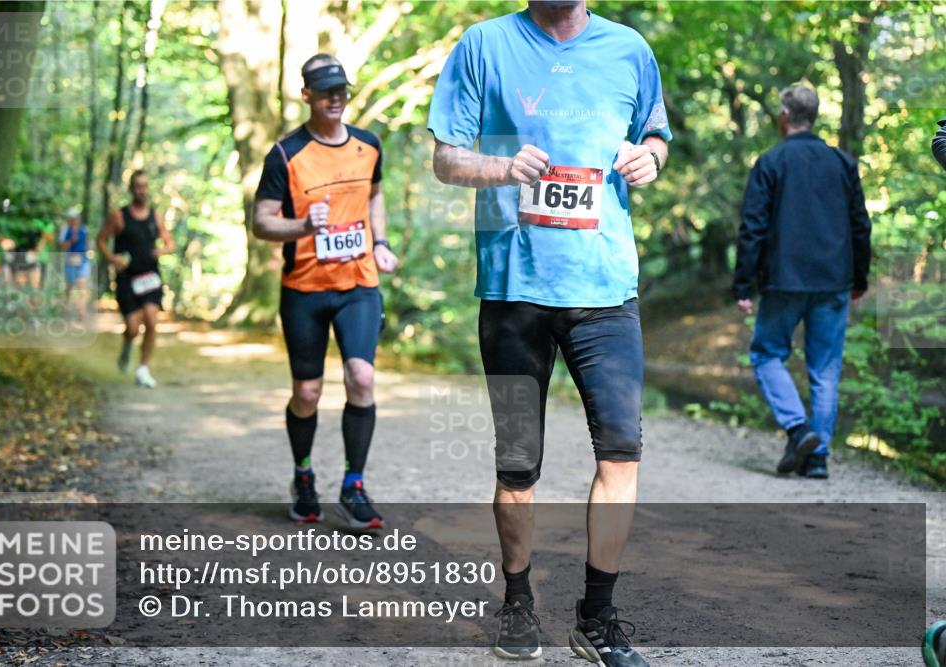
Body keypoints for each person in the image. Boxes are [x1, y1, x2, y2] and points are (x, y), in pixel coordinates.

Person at [429, 2, 671, 664]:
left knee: (621, 452)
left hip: (606, 293)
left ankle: (597, 616)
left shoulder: (630, 50)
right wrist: (501, 169)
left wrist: (649, 159)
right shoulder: (483, 44)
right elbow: (447, 159)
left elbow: (656, 139)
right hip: (513, 294)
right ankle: (517, 603)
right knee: (517, 466)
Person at [252, 54, 398, 531]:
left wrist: (380, 243)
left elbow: (375, 196)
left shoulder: (369, 145)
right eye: (326, 90)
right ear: (307, 95)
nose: (336, 98)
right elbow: (261, 222)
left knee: (361, 377)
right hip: (305, 289)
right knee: (307, 392)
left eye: (342, 90)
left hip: (358, 284)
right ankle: (304, 475)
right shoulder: (285, 154)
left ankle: (354, 484)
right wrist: (300, 225)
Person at [733, 84, 871, 480]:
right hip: (834, 281)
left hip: (784, 281)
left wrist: (744, 283)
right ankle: (817, 459)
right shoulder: (843, 163)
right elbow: (861, 225)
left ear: (784, 116)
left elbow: (753, 228)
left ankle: (799, 428)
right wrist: (859, 277)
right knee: (825, 370)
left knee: (766, 354)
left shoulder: (771, 162)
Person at [96, 170, 175, 388]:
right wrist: (112, 258)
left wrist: (163, 251)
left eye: (145, 186)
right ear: (132, 189)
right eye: (138, 186)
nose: (142, 190)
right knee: (132, 328)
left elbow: (170, 243)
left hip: (150, 278)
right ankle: (127, 346)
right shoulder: (119, 216)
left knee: (151, 320)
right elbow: (101, 240)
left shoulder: (155, 217)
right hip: (127, 280)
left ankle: (143, 369)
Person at [58, 207, 91, 321]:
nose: (74, 220)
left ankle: (82, 312)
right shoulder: (65, 230)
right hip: (70, 261)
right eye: (72, 218)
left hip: (83, 260)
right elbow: (62, 247)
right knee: (70, 287)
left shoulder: (84, 229)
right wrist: (71, 240)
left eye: (76, 218)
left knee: (82, 285)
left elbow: (88, 243)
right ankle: (65, 306)